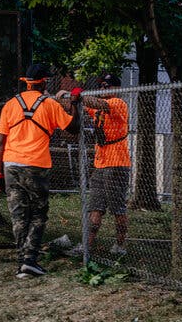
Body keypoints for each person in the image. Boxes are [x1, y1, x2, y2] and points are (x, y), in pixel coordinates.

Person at [0, 63, 81, 278]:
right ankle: (30, 260)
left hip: (10, 165)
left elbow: (0, 142)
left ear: (27, 82)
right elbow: (73, 129)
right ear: (43, 82)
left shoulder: (10, 105)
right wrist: (74, 105)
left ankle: (21, 263)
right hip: (36, 166)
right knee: (38, 214)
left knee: (18, 215)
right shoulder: (49, 104)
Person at [57, 73, 131, 256]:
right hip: (100, 163)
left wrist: (78, 95)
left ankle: (120, 246)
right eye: (102, 86)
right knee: (95, 206)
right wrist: (64, 98)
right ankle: (86, 246)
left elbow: (99, 104)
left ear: (117, 88)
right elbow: (77, 105)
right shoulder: (95, 105)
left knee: (117, 208)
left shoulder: (117, 103)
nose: (104, 89)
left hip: (117, 164)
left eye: (108, 86)